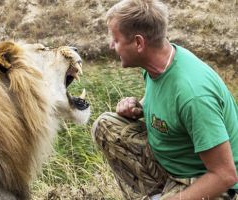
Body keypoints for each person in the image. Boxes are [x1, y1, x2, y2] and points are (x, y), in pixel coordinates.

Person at [91, 0, 238, 199]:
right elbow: (165, 102)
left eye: (115, 40)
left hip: (206, 180)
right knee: (105, 126)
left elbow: (225, 176)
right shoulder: (156, 64)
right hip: (171, 166)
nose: (111, 45)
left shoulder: (193, 95)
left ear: (138, 43)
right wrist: (138, 107)